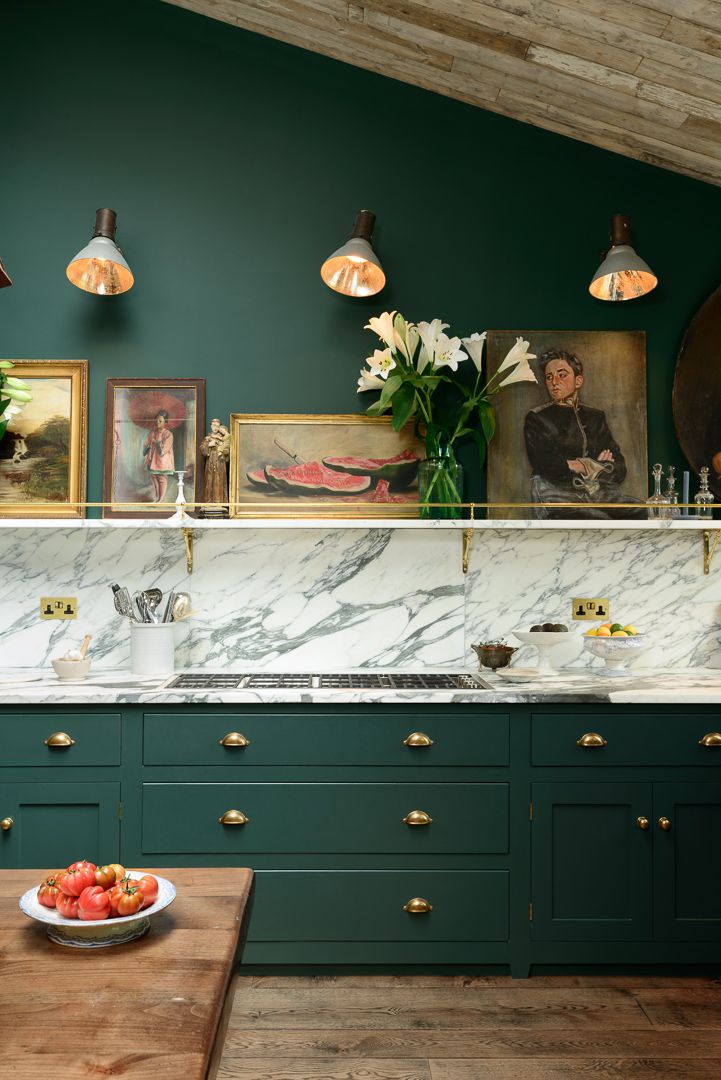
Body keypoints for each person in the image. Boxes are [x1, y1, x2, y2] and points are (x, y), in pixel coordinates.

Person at [523, 349, 645, 519]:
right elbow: (543, 463)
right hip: (554, 493)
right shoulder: (537, 418)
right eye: (549, 377)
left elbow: (619, 468)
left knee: (645, 512)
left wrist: (585, 466)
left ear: (578, 380)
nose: (554, 382)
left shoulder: (595, 416)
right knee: (598, 521)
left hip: (596, 491)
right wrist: (593, 464)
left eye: (562, 375)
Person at [143, 409, 175, 503]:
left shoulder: (168, 434)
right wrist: (148, 445)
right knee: (154, 476)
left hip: (162, 460)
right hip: (152, 459)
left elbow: (164, 450)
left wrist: (156, 443)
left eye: (160, 421)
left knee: (162, 478)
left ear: (165, 422)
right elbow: (146, 447)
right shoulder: (152, 433)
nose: (157, 422)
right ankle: (157, 497)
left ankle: (161, 498)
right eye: (157, 420)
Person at [200, 418, 230, 507]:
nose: (215, 428)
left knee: (219, 480)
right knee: (209, 480)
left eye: (217, 426)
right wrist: (209, 445)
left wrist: (224, 451)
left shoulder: (223, 438)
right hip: (210, 461)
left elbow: (228, 449)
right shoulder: (207, 438)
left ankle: (219, 502)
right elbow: (202, 448)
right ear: (211, 426)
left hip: (220, 461)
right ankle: (209, 502)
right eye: (213, 425)